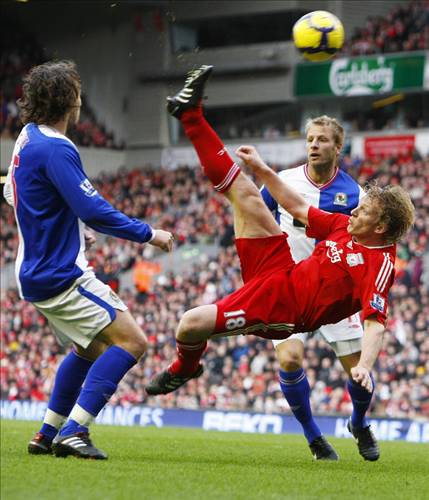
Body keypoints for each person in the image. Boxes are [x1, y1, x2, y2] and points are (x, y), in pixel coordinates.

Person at [145, 65, 415, 454]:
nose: (355, 212)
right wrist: (261, 169)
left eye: (364, 211)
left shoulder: (378, 260)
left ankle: (186, 368)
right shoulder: (342, 223)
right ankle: (191, 114)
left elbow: (376, 324)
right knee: (245, 192)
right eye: (311, 139)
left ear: (382, 225)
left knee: (189, 325)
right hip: (282, 265)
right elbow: (296, 206)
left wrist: (366, 366)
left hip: (286, 307)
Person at [3, 60, 174, 460]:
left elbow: (14, 194)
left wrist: (76, 229)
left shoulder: (26, 139)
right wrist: (149, 233)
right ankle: (75, 430)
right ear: (69, 99)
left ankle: (46, 432)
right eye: (78, 91)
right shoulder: (57, 148)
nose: (82, 99)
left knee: (86, 349)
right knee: (133, 342)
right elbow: (93, 209)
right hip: (61, 274)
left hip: (34, 271)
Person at [260, 118, 377, 461]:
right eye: (310, 139)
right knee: (290, 359)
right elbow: (256, 212)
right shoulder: (284, 182)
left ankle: (358, 423)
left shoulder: (357, 194)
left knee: (359, 373)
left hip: (336, 294)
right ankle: (315, 438)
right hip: (292, 287)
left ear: (337, 148)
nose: (313, 145)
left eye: (322, 140)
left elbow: (368, 242)